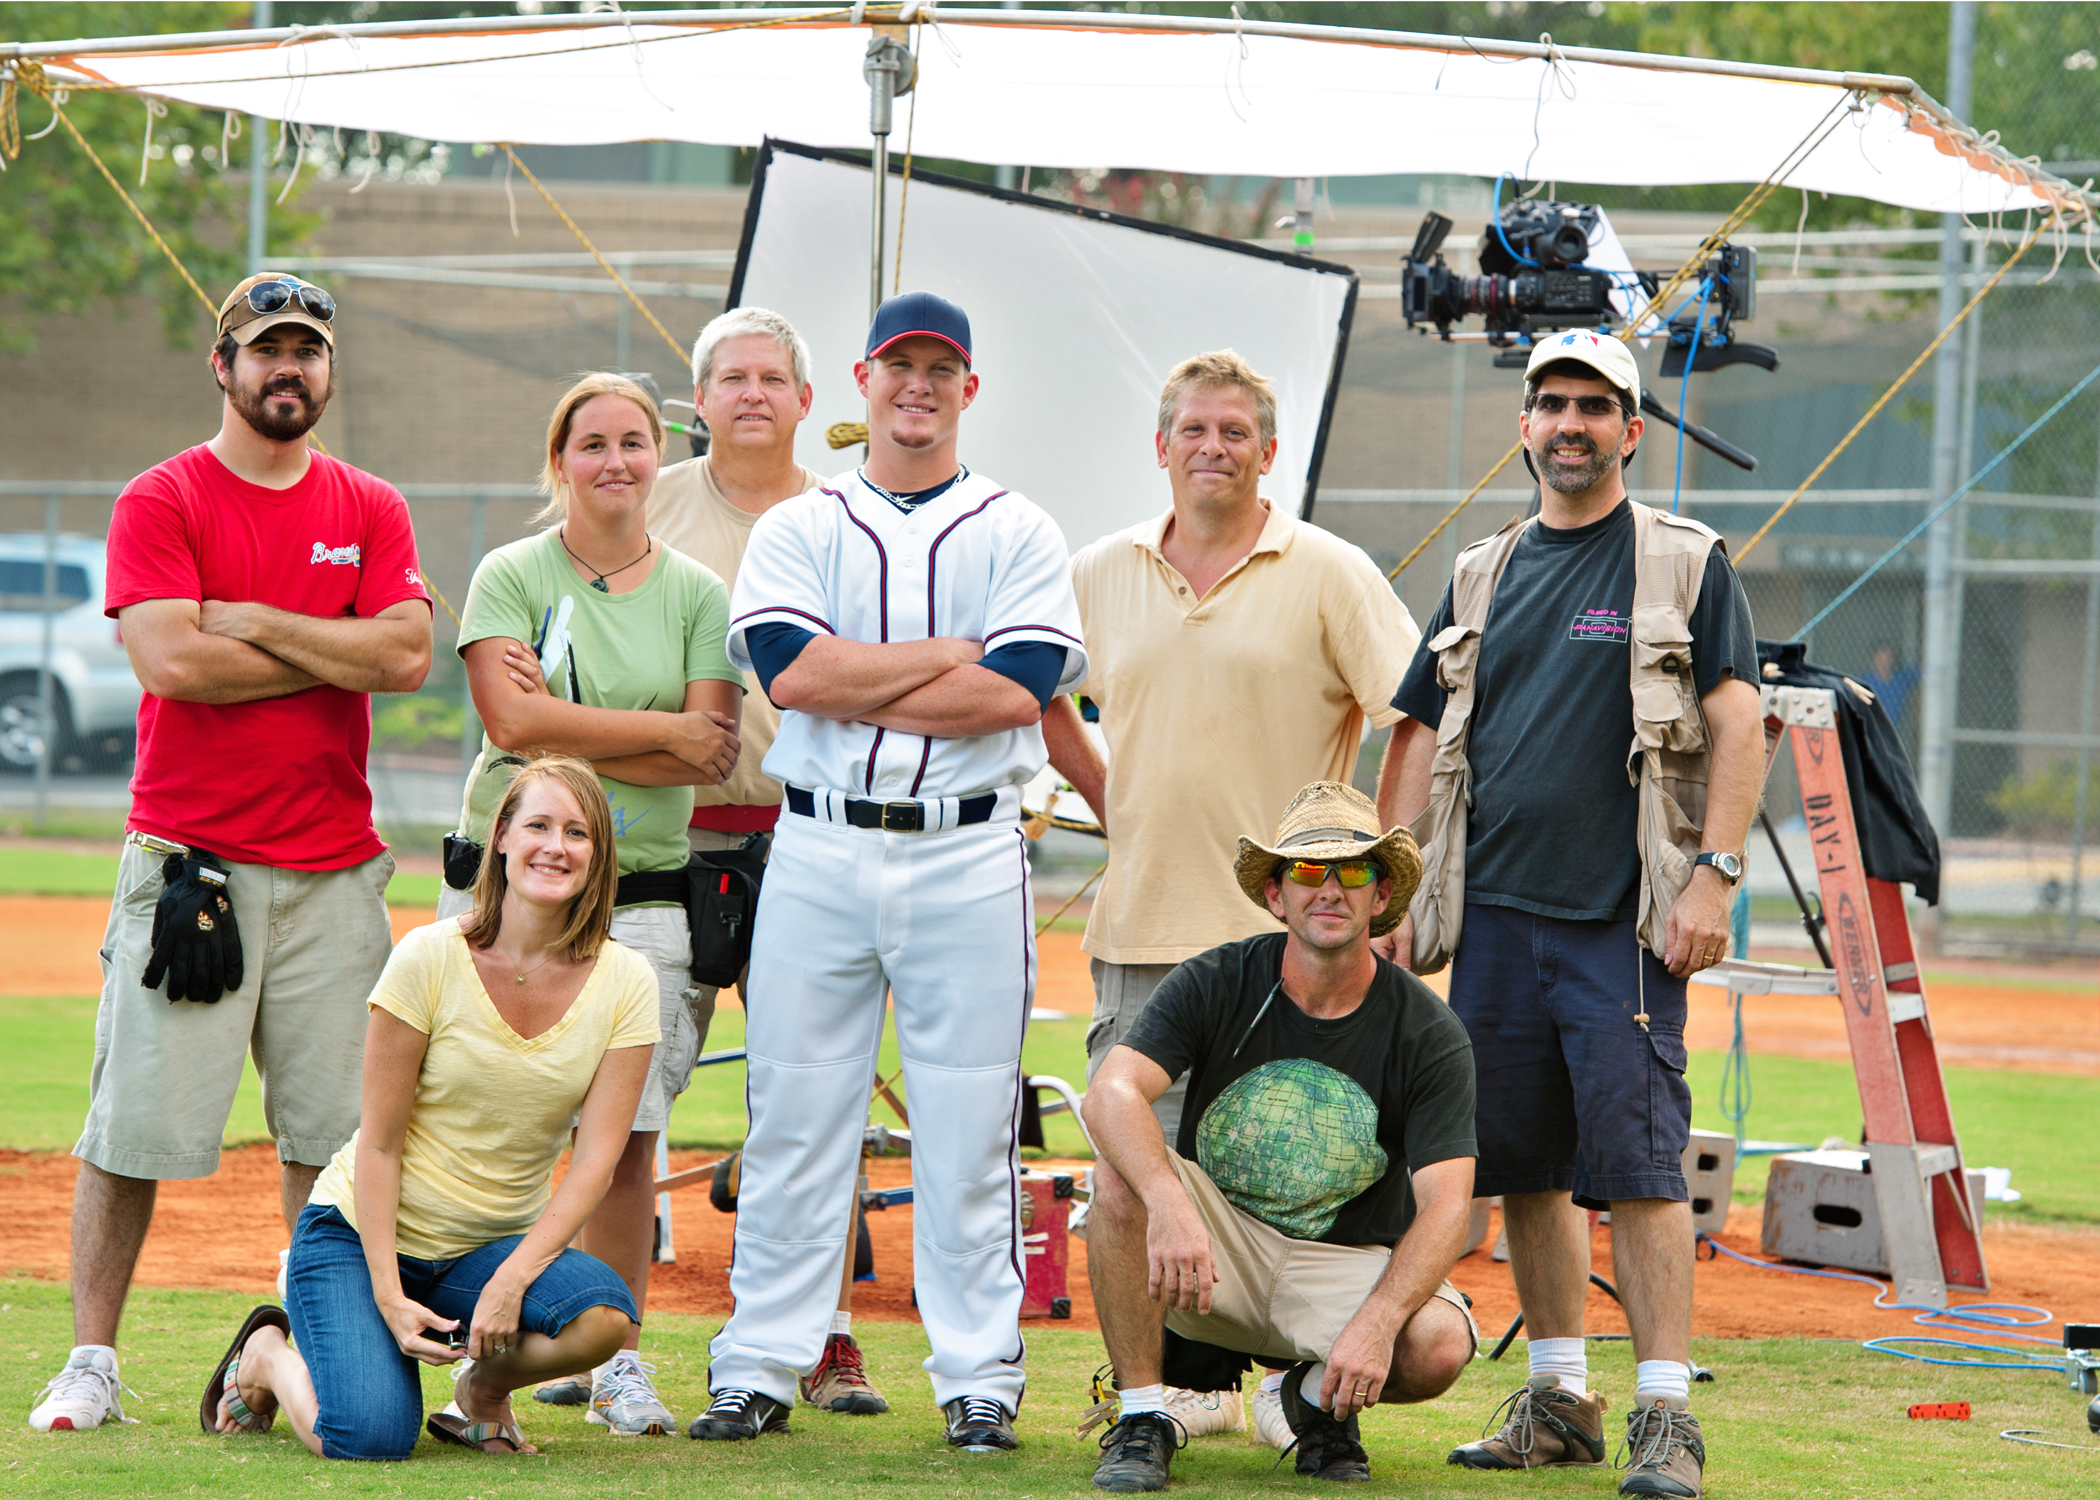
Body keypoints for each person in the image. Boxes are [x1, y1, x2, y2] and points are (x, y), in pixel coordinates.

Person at [31, 274, 433, 1434]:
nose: (288, 370)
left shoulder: (369, 503)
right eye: (267, 351)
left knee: (332, 1141)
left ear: (328, 368)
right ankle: (94, 1362)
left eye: (307, 351)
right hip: (190, 866)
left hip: (335, 871)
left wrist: (248, 617)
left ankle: (307, 1348)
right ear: (223, 366)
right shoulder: (163, 496)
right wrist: (336, 647)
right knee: (133, 1131)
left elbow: (406, 657)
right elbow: (173, 664)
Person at [698, 291, 1086, 1451]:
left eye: (940, 368)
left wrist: (864, 666)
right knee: (794, 1116)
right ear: (862, 383)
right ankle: (761, 1364)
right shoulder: (800, 527)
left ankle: (978, 1379)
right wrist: (949, 655)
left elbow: (1018, 693)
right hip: (817, 840)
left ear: (969, 388)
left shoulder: (1019, 527)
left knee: (969, 1122)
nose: (918, 385)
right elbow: (792, 679)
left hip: (968, 844)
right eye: (899, 365)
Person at [1378, 331, 1762, 1499]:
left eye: (1597, 406)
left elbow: (1740, 723)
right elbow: (1411, 731)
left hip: (1623, 924)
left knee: (1641, 1168)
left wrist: (1714, 877)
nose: (1571, 423)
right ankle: (1560, 1400)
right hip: (1492, 917)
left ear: (1633, 431)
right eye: (1551, 404)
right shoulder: (1484, 569)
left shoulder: (1684, 564)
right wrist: (1391, 890)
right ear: (1524, 426)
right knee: (1524, 1166)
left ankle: (1665, 1418)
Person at [1044, 349, 1419, 1441]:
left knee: (1292, 1177)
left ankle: (1288, 1394)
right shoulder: (1099, 571)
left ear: (1269, 451)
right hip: (1144, 933)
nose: (1214, 448)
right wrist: (1103, 789)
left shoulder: (1331, 570)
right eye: (1194, 430)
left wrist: (1381, 866)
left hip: (1291, 947)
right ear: (1161, 446)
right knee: (1128, 1178)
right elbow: (1037, 688)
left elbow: (1414, 717)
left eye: (1236, 433)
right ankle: (1149, 1407)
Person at [438, 372, 744, 1437]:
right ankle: (469, 1329)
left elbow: (707, 754)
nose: (615, 462)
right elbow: (509, 727)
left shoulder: (699, 592)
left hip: (646, 896)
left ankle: (611, 1355)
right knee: (484, 1114)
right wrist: (646, 731)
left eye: (635, 442)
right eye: (592, 444)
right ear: (558, 460)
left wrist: (563, 718)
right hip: (508, 888)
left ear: (658, 456)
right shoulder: (511, 572)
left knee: (627, 1139)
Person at [199, 755, 660, 1459]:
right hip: (361, 1235)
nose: (555, 847)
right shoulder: (428, 957)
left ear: (598, 855)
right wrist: (387, 1291)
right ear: (501, 835)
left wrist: (512, 1279)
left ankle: (479, 1393)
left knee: (602, 1318)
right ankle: (266, 1356)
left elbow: (597, 1158)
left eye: (577, 832)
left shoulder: (627, 980)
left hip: (489, 1246)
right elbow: (378, 1143)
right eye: (538, 824)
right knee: (368, 1436)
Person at [1080, 781, 1478, 1493]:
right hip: (1217, 1247)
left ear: (1381, 894)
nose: (1329, 889)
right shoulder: (1218, 978)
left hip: (1340, 1261)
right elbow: (1110, 1093)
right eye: (1306, 871)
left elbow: (1449, 1203)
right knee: (1118, 1175)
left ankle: (1310, 1404)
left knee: (1439, 1345)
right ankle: (1141, 1418)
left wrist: (1382, 1319)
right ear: (1275, 894)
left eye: (1352, 870)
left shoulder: (1427, 1030)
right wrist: (1169, 1201)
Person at [649, 307, 888, 1419]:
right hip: (665, 831)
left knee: (816, 1089)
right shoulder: (646, 502)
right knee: (629, 1083)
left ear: (806, 400)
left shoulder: (850, 512)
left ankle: (827, 1331)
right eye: (729, 377)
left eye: (771, 378)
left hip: (810, 829)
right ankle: (604, 1333)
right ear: (696, 401)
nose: (751, 394)